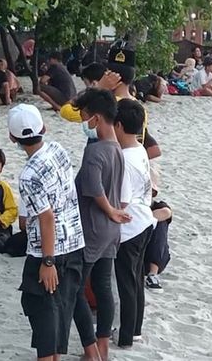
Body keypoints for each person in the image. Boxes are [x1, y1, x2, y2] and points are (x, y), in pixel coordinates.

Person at [8, 104, 85, 361]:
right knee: (59, 315)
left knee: (42, 316)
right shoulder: (58, 149)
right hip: (74, 241)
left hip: (49, 251)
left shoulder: (29, 174)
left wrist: (48, 261)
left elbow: (46, 217)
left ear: (13, 138)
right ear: (44, 128)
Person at [71, 88, 131, 361]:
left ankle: (91, 349)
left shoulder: (95, 151)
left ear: (96, 118)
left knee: (74, 289)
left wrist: (109, 210)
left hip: (94, 228)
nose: (83, 123)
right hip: (111, 231)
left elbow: (93, 189)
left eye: (84, 117)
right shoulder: (117, 147)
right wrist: (115, 213)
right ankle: (103, 345)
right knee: (104, 286)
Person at [114, 99, 156, 348]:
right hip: (145, 221)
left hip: (130, 228)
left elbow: (121, 201)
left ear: (118, 125)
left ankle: (127, 335)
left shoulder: (125, 160)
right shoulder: (139, 148)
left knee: (127, 283)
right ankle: (135, 329)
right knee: (136, 279)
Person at [145, 200, 172, 290]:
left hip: (151, 257)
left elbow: (167, 212)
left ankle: (153, 274)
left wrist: (141, 218)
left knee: (161, 223)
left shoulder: (157, 206)